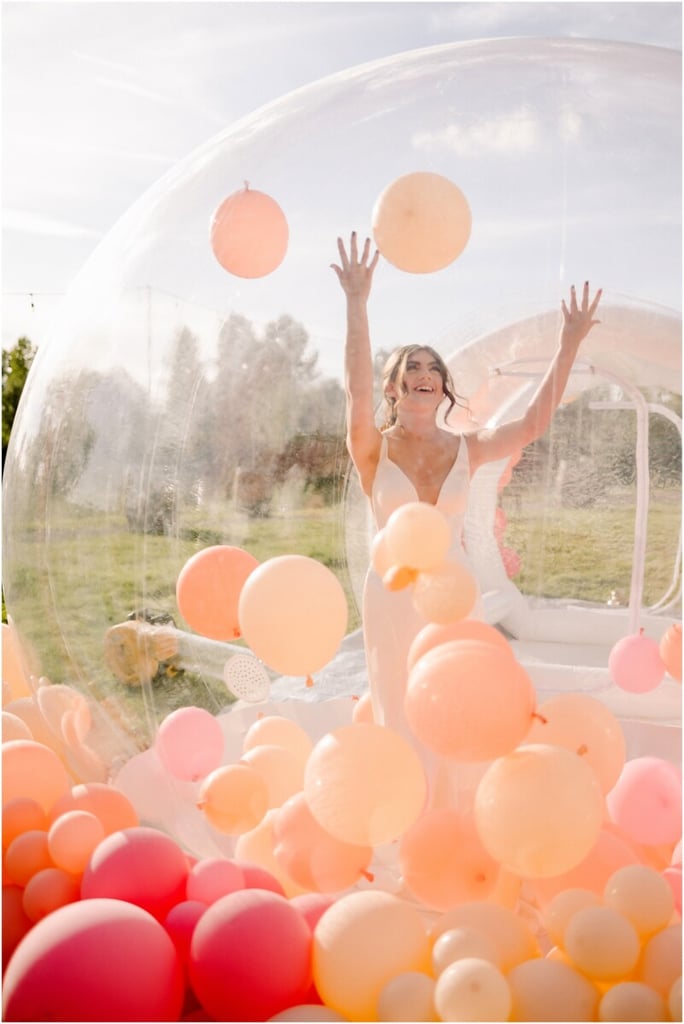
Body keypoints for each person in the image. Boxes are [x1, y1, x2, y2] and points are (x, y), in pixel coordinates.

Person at [331, 231, 602, 796]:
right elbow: (356, 392)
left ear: (442, 386)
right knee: (398, 702)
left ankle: (462, 810)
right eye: (412, 366)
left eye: (432, 366)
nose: (423, 371)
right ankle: (405, 812)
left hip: (456, 594)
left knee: (461, 700)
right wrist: (358, 302)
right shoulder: (372, 448)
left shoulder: (467, 447)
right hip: (391, 595)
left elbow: (529, 426)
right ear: (396, 385)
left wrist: (568, 343)